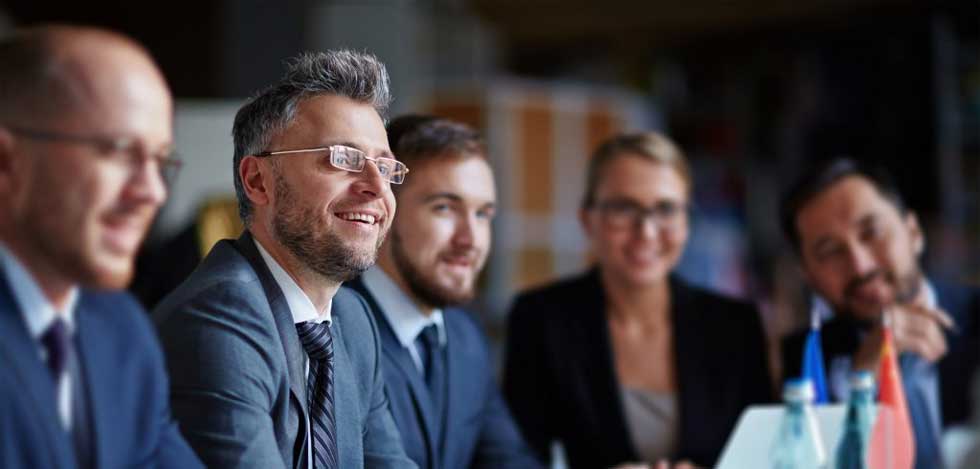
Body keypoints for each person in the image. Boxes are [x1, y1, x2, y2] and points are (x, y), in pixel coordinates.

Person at [153, 50, 416, 468]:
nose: (375, 188)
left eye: (384, 167)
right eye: (343, 159)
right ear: (258, 180)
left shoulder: (353, 320)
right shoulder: (217, 317)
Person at [504, 131, 772, 469]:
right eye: (623, 208)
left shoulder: (736, 326)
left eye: (666, 209)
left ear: (687, 222)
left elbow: (767, 459)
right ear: (588, 219)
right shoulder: (541, 319)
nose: (646, 231)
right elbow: (514, 461)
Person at [0, 25, 203, 468]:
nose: (152, 192)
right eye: (118, 151)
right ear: (7, 162)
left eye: (160, 161)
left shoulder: (120, 327)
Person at [345, 115, 541, 469]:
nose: (469, 240)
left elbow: (509, 461)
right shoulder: (333, 331)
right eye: (445, 208)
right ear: (384, 207)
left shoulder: (466, 336)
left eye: (483, 214)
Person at [780, 157, 980, 469]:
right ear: (808, 276)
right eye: (830, 251)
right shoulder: (803, 358)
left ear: (913, 232)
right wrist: (862, 382)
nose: (861, 265)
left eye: (871, 232)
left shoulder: (975, 314)